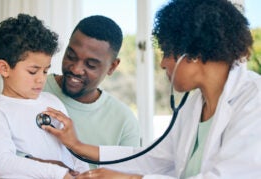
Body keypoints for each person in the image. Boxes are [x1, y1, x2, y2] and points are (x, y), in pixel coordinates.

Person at [43, 0, 261, 178]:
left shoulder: (254, 101)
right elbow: (155, 159)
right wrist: (77, 146)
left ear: (194, 54)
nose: (163, 63)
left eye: (167, 52)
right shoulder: (194, 104)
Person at [0, 15, 140, 175]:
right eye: (70, 56)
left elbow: (131, 173)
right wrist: (39, 166)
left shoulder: (124, 121)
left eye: (91, 65)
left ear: (112, 67)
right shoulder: (19, 97)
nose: (76, 69)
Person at [0, 13, 89, 179]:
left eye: (46, 70)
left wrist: (85, 174)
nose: (41, 79)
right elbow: (2, 162)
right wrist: (58, 174)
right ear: (4, 68)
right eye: (33, 71)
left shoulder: (52, 102)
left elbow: (73, 150)